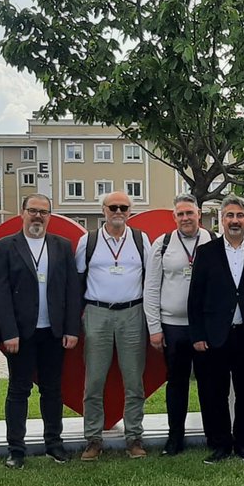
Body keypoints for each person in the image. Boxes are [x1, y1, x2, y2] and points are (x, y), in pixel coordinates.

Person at [0, 194, 80, 468]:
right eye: (33, 211)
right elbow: (1, 294)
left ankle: (54, 444)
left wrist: (71, 328)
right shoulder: (5, 247)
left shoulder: (62, 246)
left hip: (53, 332)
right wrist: (8, 332)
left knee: (53, 390)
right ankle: (16, 449)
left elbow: (72, 290)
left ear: (50, 216)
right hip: (21, 333)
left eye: (43, 212)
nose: (38, 216)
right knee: (19, 390)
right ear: (22, 213)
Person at [188, 195, 244, 464]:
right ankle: (221, 444)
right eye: (229, 216)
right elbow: (195, 298)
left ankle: (243, 444)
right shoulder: (206, 253)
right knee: (217, 393)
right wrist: (198, 334)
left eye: (240, 216)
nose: (235, 221)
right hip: (215, 335)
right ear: (221, 220)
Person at [77, 191, 153, 461]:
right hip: (98, 312)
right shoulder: (89, 241)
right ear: (103, 210)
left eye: (123, 207)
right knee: (94, 379)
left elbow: (151, 277)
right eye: (113, 207)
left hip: (132, 313)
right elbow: (78, 280)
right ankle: (93, 439)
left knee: (134, 380)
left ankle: (134, 437)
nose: (118, 211)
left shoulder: (140, 239)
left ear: (130, 211)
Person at [144, 194, 214, 457]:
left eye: (190, 213)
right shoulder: (162, 244)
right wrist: (154, 328)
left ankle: (213, 435)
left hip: (205, 327)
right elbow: (151, 288)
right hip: (172, 326)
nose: (186, 218)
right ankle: (175, 438)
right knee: (176, 384)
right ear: (174, 218)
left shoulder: (213, 241)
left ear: (199, 214)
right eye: (180, 214)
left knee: (209, 383)